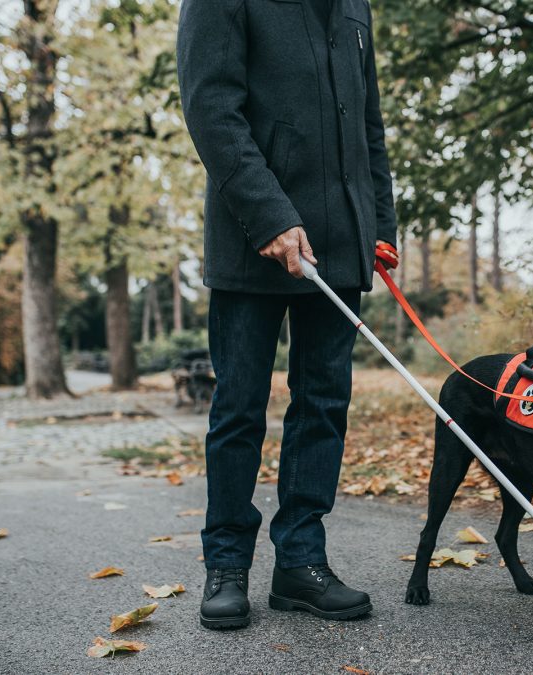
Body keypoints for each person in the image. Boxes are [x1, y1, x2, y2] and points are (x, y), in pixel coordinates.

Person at [177, 0, 398, 629]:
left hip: (340, 249)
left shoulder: (356, 8)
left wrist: (377, 227)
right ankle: (226, 565)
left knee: (324, 405)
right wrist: (271, 217)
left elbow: (368, 128)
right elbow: (212, 110)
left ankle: (301, 564)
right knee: (241, 407)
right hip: (253, 241)